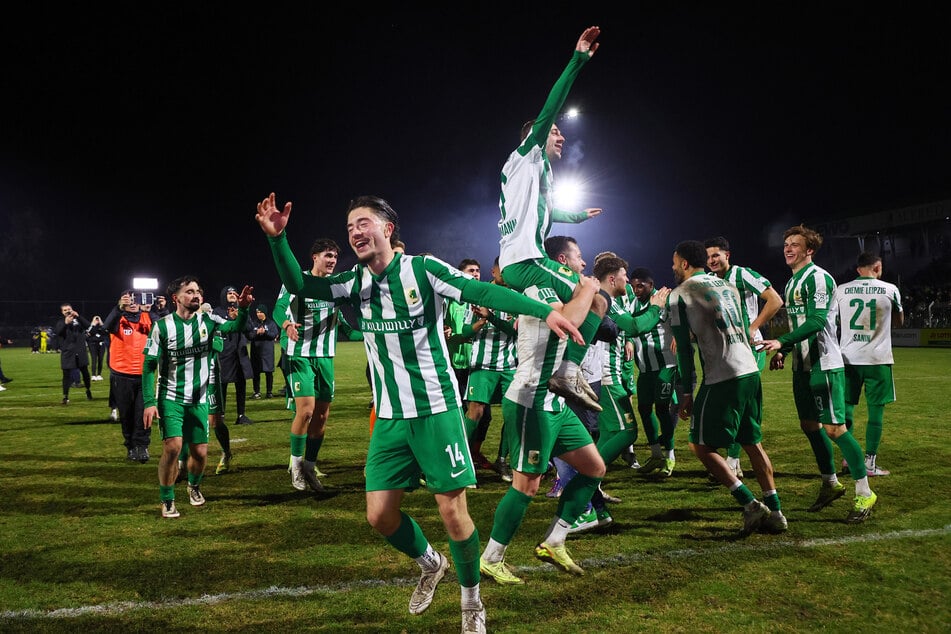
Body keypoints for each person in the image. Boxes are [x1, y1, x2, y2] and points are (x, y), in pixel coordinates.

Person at [257, 192, 583, 634]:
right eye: (350, 226)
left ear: (387, 229)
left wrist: (543, 311)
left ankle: (471, 602)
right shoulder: (354, 282)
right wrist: (278, 240)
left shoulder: (423, 269)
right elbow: (300, 286)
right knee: (379, 516)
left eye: (363, 223)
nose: (355, 232)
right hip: (390, 417)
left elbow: (480, 290)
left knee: (453, 512)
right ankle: (431, 563)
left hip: (436, 411)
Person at [479, 231, 609, 585]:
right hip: (531, 399)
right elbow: (571, 320)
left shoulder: (563, 289)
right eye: (578, 256)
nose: (584, 263)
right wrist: (588, 289)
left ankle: (554, 540)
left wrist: (594, 296)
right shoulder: (540, 288)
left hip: (555, 399)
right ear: (560, 262)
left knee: (594, 468)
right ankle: (491, 558)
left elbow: (593, 311)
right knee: (527, 485)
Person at [497, 25, 607, 412]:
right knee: (593, 293)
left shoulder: (530, 172)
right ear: (537, 135)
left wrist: (576, 216)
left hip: (520, 260)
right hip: (527, 260)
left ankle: (554, 371)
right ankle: (566, 370)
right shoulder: (528, 153)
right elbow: (551, 106)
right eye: (555, 132)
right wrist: (577, 60)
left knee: (580, 303)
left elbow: (545, 211)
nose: (561, 137)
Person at [759, 225, 878, 524]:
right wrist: (786, 350)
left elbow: (816, 321)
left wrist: (782, 342)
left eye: (795, 245)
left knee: (835, 429)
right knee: (810, 425)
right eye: (786, 244)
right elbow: (799, 324)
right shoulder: (791, 283)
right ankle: (830, 483)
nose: (788, 249)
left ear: (809, 250)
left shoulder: (819, 278)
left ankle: (865, 492)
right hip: (802, 367)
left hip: (824, 364)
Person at [668, 240, 788, 534]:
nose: (673, 267)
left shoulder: (679, 294)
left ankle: (749, 504)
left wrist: (686, 393)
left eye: (674, 262)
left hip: (722, 376)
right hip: (749, 369)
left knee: (699, 445)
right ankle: (776, 512)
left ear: (684, 263)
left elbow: (683, 350)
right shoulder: (729, 286)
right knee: (752, 443)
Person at [568, 254, 668, 532]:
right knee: (627, 432)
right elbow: (635, 326)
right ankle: (585, 482)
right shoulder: (602, 299)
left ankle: (592, 494)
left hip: (604, 375)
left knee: (607, 435)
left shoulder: (609, 300)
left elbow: (627, 328)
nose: (628, 280)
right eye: (625, 276)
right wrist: (656, 307)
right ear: (612, 279)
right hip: (603, 376)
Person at [142, 276, 253, 519]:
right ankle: (167, 499)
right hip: (170, 397)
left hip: (200, 398)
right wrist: (149, 402)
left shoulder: (209, 320)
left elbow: (235, 327)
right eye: (190, 291)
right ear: (176, 298)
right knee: (173, 447)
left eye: (198, 292)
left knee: (201, 453)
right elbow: (149, 365)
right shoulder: (162, 327)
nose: (196, 295)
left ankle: (194, 486)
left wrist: (243, 309)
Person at [274, 237, 362, 491]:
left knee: (322, 416)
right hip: (299, 354)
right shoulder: (297, 281)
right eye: (328, 255)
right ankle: (296, 467)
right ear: (315, 257)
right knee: (306, 411)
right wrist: (286, 325)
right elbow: (279, 309)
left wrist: (374, 332)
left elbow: (349, 330)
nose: (332, 260)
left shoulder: (337, 287)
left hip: (325, 358)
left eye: (335, 256)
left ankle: (310, 467)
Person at [704, 236, 784, 479]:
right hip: (726, 348)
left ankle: (732, 460)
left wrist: (753, 327)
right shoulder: (709, 280)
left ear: (727, 255)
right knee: (731, 402)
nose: (711, 260)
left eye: (716, 255)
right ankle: (733, 459)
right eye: (708, 257)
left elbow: (775, 300)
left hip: (749, 347)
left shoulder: (742, 274)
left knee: (738, 402)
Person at [834, 251, 903, 476]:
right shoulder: (890, 289)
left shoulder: (841, 289)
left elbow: (834, 320)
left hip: (848, 359)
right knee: (876, 412)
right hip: (878, 359)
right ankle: (870, 463)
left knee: (847, 408)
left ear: (858, 269)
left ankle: (848, 458)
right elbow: (899, 321)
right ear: (878, 267)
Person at [462, 256, 517, 483]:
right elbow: (465, 331)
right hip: (482, 364)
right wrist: (478, 323)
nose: (507, 274)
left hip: (509, 366)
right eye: (503, 269)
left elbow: (515, 331)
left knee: (513, 414)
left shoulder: (516, 295)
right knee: (475, 411)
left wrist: (490, 317)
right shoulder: (478, 293)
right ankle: (463, 462)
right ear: (494, 271)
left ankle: (502, 460)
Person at [626, 267, 681, 478]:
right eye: (633, 286)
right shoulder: (632, 304)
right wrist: (628, 341)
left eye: (640, 286)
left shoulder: (664, 299)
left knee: (662, 409)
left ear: (651, 284)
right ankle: (656, 455)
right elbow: (628, 326)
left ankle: (670, 456)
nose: (636, 290)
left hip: (665, 364)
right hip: (644, 367)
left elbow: (680, 322)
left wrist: (678, 336)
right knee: (644, 408)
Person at [103, 292, 153, 463]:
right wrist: (118, 308)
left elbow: (165, 327)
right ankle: (130, 446)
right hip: (121, 375)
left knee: (144, 413)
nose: (132, 303)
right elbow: (106, 326)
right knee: (127, 414)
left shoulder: (148, 317)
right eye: (128, 300)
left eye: (135, 299)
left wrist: (158, 309)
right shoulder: (118, 318)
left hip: (144, 376)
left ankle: (143, 446)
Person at [213, 286, 254, 426]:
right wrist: (231, 321)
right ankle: (221, 415)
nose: (231, 295)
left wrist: (239, 318)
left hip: (240, 354)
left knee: (241, 385)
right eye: (229, 293)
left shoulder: (241, 311)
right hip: (224, 354)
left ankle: (241, 415)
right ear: (223, 295)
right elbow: (217, 329)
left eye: (233, 293)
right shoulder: (217, 312)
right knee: (222, 385)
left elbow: (250, 331)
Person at [55, 303, 92, 405]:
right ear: (62, 312)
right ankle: (65, 396)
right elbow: (58, 333)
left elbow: (89, 326)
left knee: (85, 373)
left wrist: (78, 316)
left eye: (69, 309)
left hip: (80, 351)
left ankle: (88, 390)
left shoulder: (78, 321)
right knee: (66, 375)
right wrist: (66, 324)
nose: (67, 311)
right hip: (68, 352)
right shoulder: (61, 322)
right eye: (65, 310)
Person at [248, 304, 279, 399]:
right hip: (256, 353)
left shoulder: (271, 323)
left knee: (269, 373)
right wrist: (256, 332)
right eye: (257, 312)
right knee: (256, 373)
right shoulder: (253, 323)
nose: (258, 314)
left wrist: (265, 332)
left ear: (265, 313)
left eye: (260, 312)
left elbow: (274, 335)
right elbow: (249, 335)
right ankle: (256, 392)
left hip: (267, 353)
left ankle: (269, 392)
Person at [86, 315, 109, 381]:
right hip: (93, 344)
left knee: (100, 360)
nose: (97, 320)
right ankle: (93, 375)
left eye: (98, 319)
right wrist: (93, 325)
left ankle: (99, 374)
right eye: (95, 319)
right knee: (94, 359)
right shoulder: (90, 326)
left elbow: (106, 332)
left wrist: (101, 324)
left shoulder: (102, 327)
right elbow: (89, 333)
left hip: (101, 344)